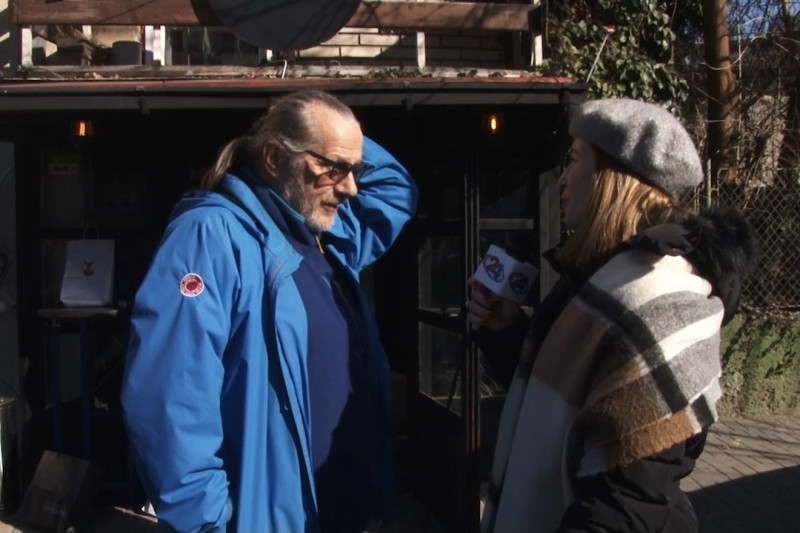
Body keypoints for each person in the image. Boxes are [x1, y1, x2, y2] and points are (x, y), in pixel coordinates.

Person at [121, 90, 417, 532]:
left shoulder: (329, 238)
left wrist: (326, 125)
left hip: (346, 514)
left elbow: (396, 190)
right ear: (275, 158)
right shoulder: (212, 234)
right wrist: (206, 525)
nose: (351, 187)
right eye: (334, 167)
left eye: (355, 170)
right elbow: (169, 403)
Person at [471, 98, 758, 532]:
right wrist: (508, 331)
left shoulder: (662, 300)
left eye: (573, 160)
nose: (561, 180)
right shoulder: (599, 278)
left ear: (613, 178)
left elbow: (625, 507)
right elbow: (563, 401)